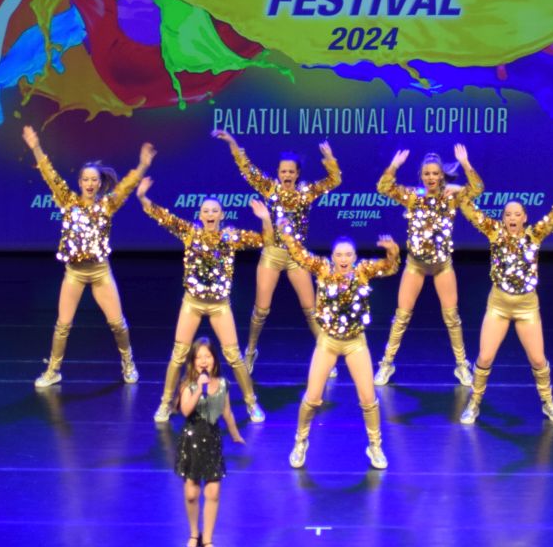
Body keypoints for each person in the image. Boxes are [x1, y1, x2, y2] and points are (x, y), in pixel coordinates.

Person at [257, 204, 399, 470]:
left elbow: (390, 267)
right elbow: (298, 253)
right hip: (328, 342)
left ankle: (375, 445)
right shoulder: (322, 268)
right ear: (332, 256)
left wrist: (392, 251)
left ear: (354, 256)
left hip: (355, 343)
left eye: (348, 254)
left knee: (368, 399)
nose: (344, 259)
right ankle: (300, 441)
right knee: (312, 398)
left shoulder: (363, 271)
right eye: (339, 254)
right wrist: (280, 225)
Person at [23, 125, 155, 387]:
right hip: (74, 273)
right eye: (86, 179)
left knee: (118, 324)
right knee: (63, 325)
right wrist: (36, 147)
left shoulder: (108, 204)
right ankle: (53, 370)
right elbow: (48, 173)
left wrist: (142, 165)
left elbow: (127, 186)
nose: (90, 184)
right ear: (80, 182)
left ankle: (128, 363)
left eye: (94, 180)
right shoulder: (67, 200)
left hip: (100, 272)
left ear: (99, 183)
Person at [137, 178, 271, 422]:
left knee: (234, 357)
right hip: (192, 303)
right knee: (178, 355)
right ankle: (166, 403)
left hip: (220, 306)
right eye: (206, 211)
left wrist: (265, 219)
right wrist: (143, 198)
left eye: (215, 211)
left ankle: (251, 403)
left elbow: (266, 240)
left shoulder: (230, 237)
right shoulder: (190, 233)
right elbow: (162, 217)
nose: (210, 214)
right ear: (200, 215)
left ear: (222, 215)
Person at [211, 130, 341, 374]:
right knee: (261, 310)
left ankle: (325, 355)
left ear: (297, 174)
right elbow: (247, 169)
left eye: (291, 171)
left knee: (311, 309)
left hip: (297, 256)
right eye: (283, 171)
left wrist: (329, 158)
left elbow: (334, 181)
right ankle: (251, 351)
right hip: (272, 254)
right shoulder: (269, 189)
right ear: (278, 173)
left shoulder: (305, 193)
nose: (287, 175)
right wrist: (232, 143)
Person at [458, 187, 553, 424]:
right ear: (502, 218)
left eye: (517, 214)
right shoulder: (494, 232)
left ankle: (548, 402)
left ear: (524, 217)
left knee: (538, 360)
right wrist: (461, 194)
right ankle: (474, 402)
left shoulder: (534, 235)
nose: (512, 218)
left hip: (527, 308)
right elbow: (472, 212)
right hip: (498, 306)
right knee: (485, 358)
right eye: (508, 214)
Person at [372, 145, 483, 387]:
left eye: (435, 173)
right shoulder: (414, 196)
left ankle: (462, 365)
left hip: (442, 266)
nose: (431, 177)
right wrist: (394, 165)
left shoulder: (451, 197)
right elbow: (383, 187)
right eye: (427, 174)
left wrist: (465, 163)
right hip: (416, 265)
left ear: (442, 175)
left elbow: (477, 189)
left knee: (452, 318)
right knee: (401, 317)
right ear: (421, 176)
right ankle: (386, 364)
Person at [176, 337, 245, 547]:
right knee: (192, 493)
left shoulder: (223, 384)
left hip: (212, 441)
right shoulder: (187, 385)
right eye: (199, 357)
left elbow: (227, 412)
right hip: (192, 441)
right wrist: (199, 388)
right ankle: (193, 535)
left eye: (207, 356)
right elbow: (186, 410)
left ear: (214, 359)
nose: (204, 361)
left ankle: (207, 540)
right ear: (193, 361)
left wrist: (235, 434)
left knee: (213, 492)